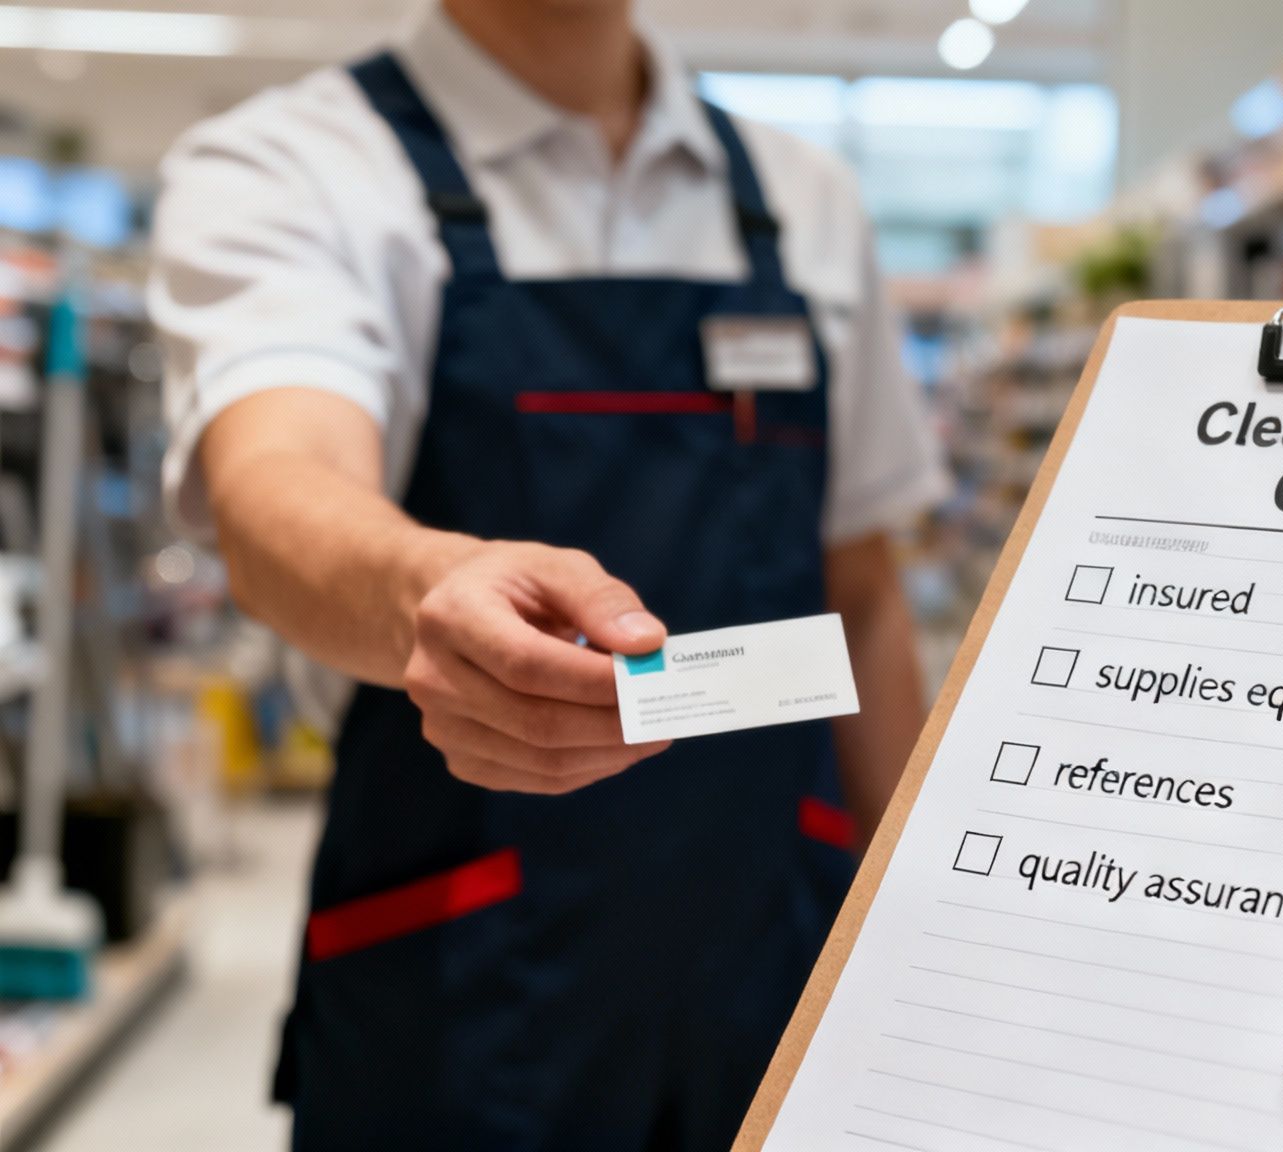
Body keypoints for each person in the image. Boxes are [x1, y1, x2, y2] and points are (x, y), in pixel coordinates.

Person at [147, 0, 948, 1147]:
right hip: (465, 995)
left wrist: (922, 932)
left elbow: (858, 588)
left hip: (781, 956)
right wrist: (435, 587)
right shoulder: (292, 164)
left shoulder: (800, 195)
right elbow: (276, 486)